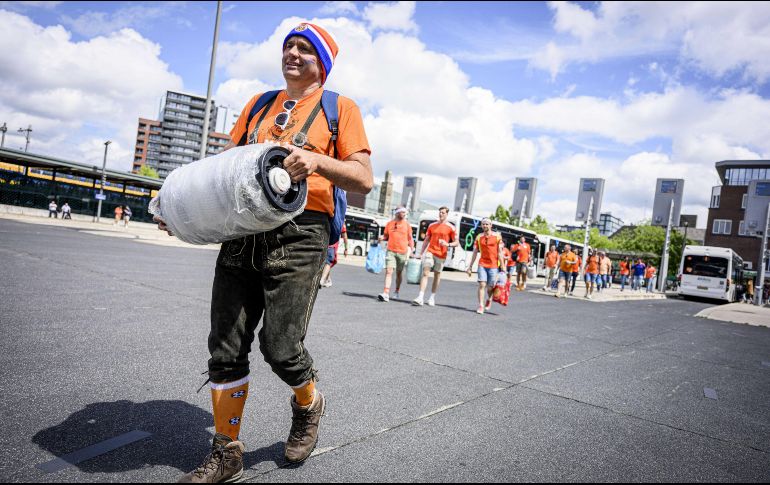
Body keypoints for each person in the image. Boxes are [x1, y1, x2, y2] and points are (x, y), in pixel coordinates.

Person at [156, 22, 373, 482]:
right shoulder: (259, 105)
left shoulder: (340, 109)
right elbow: (223, 171)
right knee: (226, 345)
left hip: (301, 233)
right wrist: (179, 209)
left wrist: (316, 161)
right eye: (288, 46)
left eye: (305, 49)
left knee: (280, 346)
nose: (293, 54)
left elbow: (363, 178)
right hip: (244, 228)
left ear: (323, 64)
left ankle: (308, 402)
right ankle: (226, 451)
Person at [412, 206, 458, 307]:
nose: (441, 214)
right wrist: (420, 253)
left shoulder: (451, 227)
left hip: (442, 254)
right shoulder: (432, 225)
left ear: (447, 214)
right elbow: (426, 240)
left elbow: (456, 242)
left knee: (437, 275)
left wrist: (447, 244)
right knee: (425, 272)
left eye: (443, 213)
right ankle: (420, 297)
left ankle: (432, 297)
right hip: (430, 252)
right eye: (440, 212)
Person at [466, 218, 504, 314]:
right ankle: (481, 306)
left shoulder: (497, 237)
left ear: (491, 225)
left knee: (490, 287)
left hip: (494, 265)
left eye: (487, 224)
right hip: (482, 264)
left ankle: (489, 299)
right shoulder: (479, 237)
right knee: (482, 284)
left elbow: (500, 253)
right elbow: (475, 252)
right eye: (483, 224)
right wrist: (470, 266)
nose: (485, 226)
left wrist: (503, 267)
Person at [378, 206, 414, 302]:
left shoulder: (407, 225)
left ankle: (396, 291)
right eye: (402, 212)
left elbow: (410, 238)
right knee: (389, 271)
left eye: (405, 212)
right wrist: (382, 238)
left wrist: (412, 250)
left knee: (399, 273)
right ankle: (386, 293)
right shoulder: (389, 224)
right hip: (391, 251)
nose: (404, 214)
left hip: (403, 252)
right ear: (397, 213)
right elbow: (386, 236)